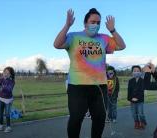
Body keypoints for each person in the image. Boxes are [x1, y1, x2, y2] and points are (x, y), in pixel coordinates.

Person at [54, 8, 126, 138]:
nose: (96, 25)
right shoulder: (73, 36)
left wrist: (112, 30)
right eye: (93, 22)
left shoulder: (103, 38)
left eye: (98, 22)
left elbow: (122, 46)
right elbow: (57, 44)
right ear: (85, 23)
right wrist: (67, 26)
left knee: (99, 119)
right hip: (77, 86)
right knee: (76, 119)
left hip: (99, 87)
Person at [0, 67, 15, 133]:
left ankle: (8, 127)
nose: (5, 74)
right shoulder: (1, 79)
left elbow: (9, 90)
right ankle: (1, 125)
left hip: (8, 100)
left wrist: (2, 85)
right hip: (0, 98)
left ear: (10, 74)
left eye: (7, 73)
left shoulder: (12, 81)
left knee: (7, 114)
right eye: (4, 72)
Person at [127, 65, 147, 129]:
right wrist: (130, 99)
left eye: (138, 71)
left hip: (140, 100)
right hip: (132, 101)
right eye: (134, 71)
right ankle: (136, 122)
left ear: (140, 72)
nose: (136, 72)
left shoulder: (142, 81)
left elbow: (141, 91)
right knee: (134, 114)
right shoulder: (130, 81)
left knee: (141, 113)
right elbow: (129, 91)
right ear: (132, 72)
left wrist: (137, 98)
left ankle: (142, 122)